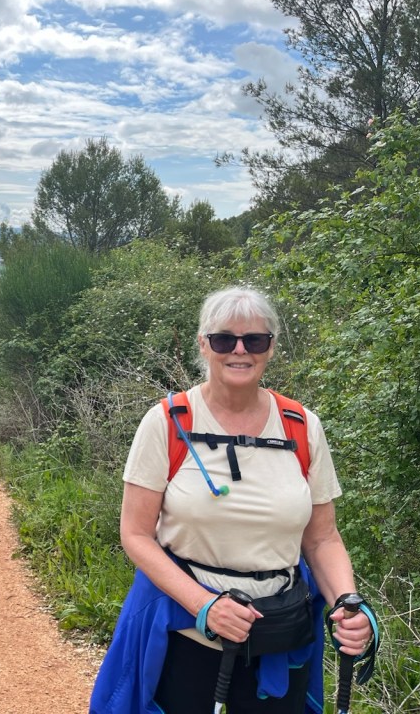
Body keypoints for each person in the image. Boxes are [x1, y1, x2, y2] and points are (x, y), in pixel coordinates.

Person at [89, 286, 374, 713]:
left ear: (270, 348)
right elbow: (135, 534)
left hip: (281, 636)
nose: (240, 350)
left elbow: (322, 539)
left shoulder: (301, 426)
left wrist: (348, 604)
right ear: (204, 345)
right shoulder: (167, 422)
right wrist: (205, 606)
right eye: (224, 339)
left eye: (254, 340)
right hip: (187, 639)